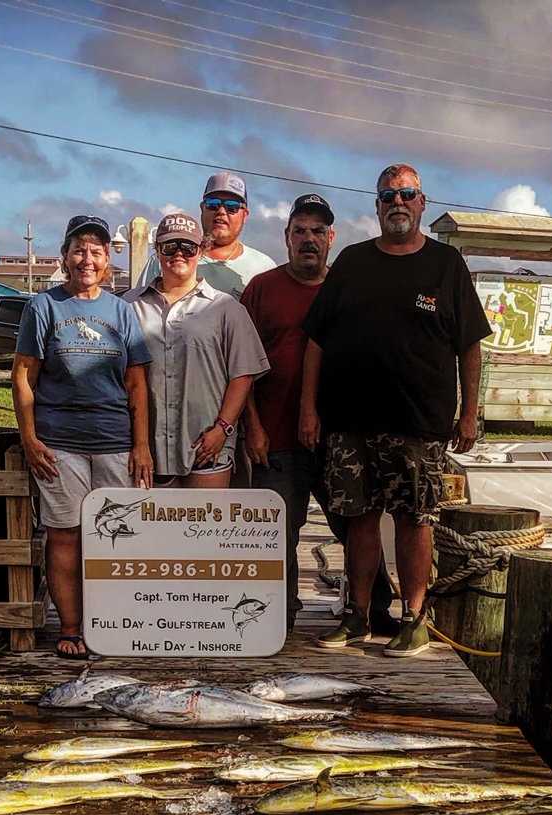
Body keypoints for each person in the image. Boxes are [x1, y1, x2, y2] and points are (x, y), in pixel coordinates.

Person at [300, 164, 490, 656]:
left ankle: (414, 618)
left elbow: (470, 345)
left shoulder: (446, 265)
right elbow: (316, 341)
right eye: (388, 196)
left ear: (422, 203)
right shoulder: (352, 261)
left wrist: (469, 414)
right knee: (358, 520)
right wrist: (308, 409)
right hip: (348, 421)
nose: (397, 203)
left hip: (418, 422)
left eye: (407, 194)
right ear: (377, 205)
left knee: (415, 520)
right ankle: (357, 616)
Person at [241, 193, 394, 633]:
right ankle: (276, 619)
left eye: (317, 231)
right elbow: (242, 369)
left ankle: (374, 610)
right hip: (275, 440)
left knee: (357, 529)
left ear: (332, 238)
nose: (308, 239)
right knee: (276, 538)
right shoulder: (261, 289)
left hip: (340, 440)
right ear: (286, 238)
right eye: (299, 231)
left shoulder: (349, 287)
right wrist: (253, 428)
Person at [13, 213, 152, 659]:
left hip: (114, 440)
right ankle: (71, 626)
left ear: (107, 259)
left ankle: (113, 623)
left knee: (117, 537)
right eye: (79, 249)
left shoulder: (121, 311)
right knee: (65, 535)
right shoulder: (43, 307)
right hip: (59, 444)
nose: (86, 259)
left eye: (96, 250)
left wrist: (142, 444)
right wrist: (30, 440)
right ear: (64, 256)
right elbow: (22, 377)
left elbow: (136, 384)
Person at [125, 212, 269, 486]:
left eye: (188, 247)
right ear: (157, 250)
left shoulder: (226, 308)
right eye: (170, 246)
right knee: (152, 529)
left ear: (200, 251)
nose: (179, 254)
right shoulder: (128, 306)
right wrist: (137, 442)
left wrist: (223, 429)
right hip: (147, 449)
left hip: (207, 445)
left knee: (206, 529)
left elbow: (243, 375)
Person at [138, 172, 276, 297]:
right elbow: (138, 310)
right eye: (213, 204)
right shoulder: (166, 258)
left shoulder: (264, 268)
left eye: (231, 206)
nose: (221, 211)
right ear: (202, 208)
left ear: (245, 215)